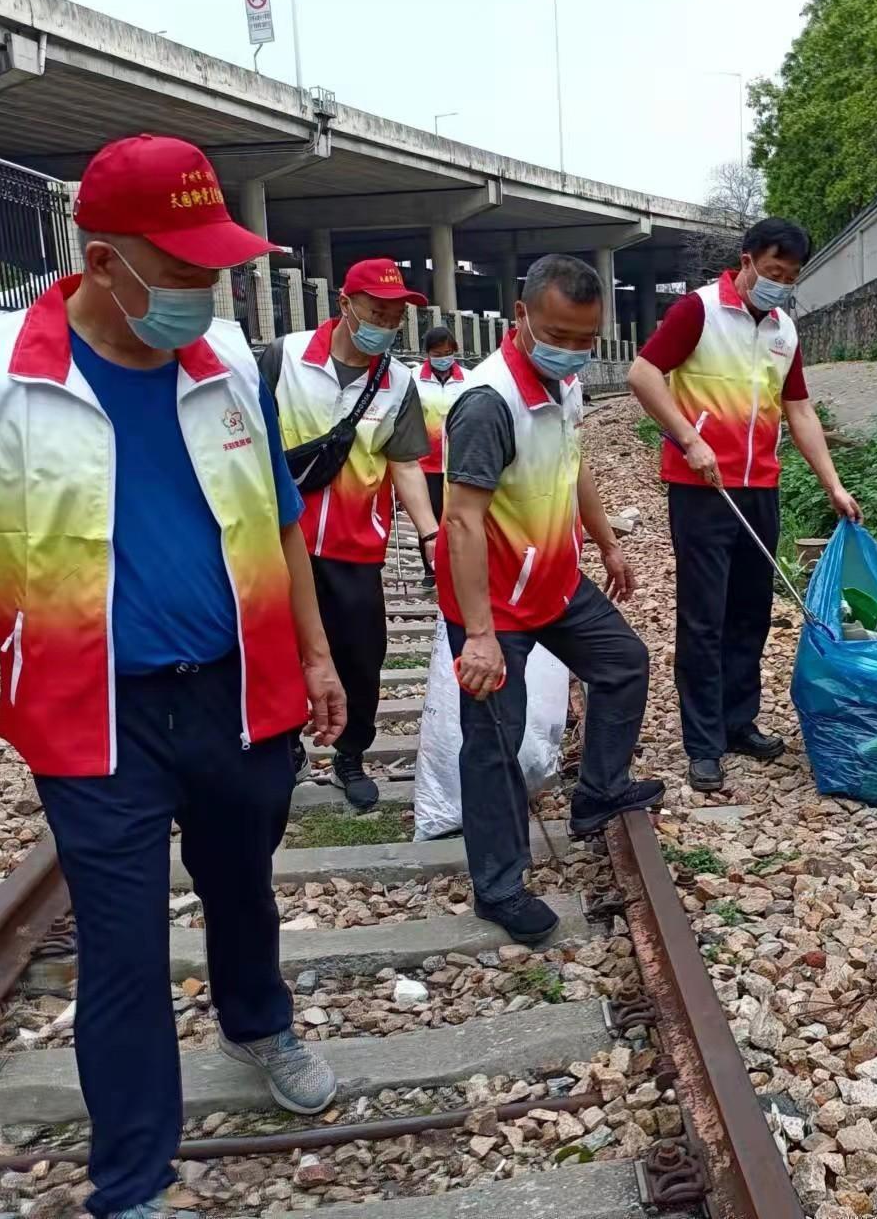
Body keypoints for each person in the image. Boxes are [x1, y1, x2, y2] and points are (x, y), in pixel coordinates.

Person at [0, 134, 346, 1219]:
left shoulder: (226, 360)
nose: (207, 291)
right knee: (123, 944)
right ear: (103, 261)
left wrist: (318, 654)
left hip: (238, 691)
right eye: (185, 269)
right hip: (95, 714)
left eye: (216, 269)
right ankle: (131, 1182)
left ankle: (256, 1020)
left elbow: (282, 521)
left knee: (241, 883)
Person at [440, 253, 663, 945]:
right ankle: (500, 886)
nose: (571, 350)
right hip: (494, 605)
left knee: (623, 663)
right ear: (521, 316)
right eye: (559, 334)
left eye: (585, 338)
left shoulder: (563, 385)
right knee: (495, 741)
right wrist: (479, 634)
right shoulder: (488, 402)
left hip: (556, 581)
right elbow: (461, 521)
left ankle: (598, 791)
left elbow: (574, 465)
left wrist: (607, 541)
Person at [627, 217, 860, 794]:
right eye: (775, 270)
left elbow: (798, 409)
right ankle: (703, 742)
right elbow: (643, 373)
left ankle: (738, 722)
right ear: (747, 260)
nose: (781, 283)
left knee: (751, 611)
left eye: (792, 276)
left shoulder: (784, 329)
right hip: (702, 487)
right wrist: (689, 438)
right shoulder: (698, 311)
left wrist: (832, 484)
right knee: (704, 616)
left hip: (760, 487)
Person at [259, 258, 439, 809]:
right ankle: (283, 747)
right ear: (345, 303)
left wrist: (430, 534)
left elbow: (404, 463)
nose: (386, 324)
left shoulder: (398, 381)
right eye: (377, 311)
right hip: (277, 535)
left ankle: (350, 754)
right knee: (276, 645)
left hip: (354, 542)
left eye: (395, 316)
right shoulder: (285, 357)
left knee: (361, 654)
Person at [415, 324, 467, 586]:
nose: (443, 358)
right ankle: (430, 569)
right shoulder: (414, 379)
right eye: (437, 354)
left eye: (448, 353)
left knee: (458, 516)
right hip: (427, 463)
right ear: (428, 353)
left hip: (459, 460)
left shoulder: (469, 379)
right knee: (429, 516)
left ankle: (457, 566)